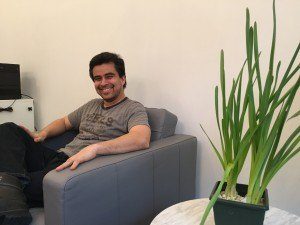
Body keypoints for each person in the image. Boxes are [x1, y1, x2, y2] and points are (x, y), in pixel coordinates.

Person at [0, 52, 151, 225]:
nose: (103, 83)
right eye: (97, 78)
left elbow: (141, 139)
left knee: (19, 180)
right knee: (8, 129)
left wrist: (94, 148)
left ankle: (10, 198)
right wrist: (42, 133)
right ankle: (9, 190)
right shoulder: (92, 104)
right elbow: (65, 122)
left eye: (109, 76)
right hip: (57, 156)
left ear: (122, 79)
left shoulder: (133, 108)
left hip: (75, 166)